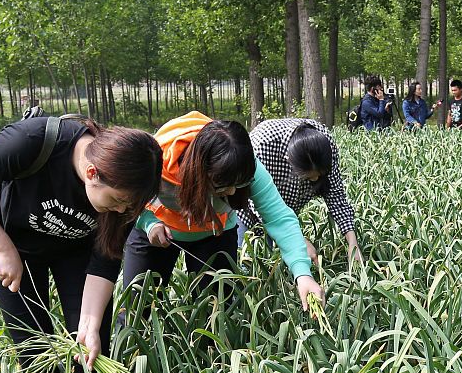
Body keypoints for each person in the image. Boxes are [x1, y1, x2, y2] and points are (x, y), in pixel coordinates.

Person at [0, 117, 162, 369]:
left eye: (130, 206)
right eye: (118, 200)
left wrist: (89, 326)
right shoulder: (31, 140)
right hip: (18, 249)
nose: (121, 210)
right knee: (32, 348)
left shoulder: (126, 194)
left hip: (77, 254)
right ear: (92, 172)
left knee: (92, 350)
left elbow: (105, 262)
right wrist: (2, 248)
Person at [121, 111, 325, 311]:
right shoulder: (159, 160)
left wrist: (303, 274)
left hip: (214, 235)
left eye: (239, 184)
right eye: (222, 186)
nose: (232, 191)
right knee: (137, 308)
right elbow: (125, 198)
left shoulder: (245, 167)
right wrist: (149, 222)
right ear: (199, 170)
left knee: (215, 314)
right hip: (156, 233)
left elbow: (279, 217)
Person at [237, 117, 364, 266]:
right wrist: (297, 241)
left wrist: (352, 243)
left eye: (320, 175)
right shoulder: (263, 145)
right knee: (245, 262)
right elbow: (260, 204)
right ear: (288, 160)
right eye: (309, 177)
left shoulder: (324, 145)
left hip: (286, 212)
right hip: (245, 208)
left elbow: (336, 196)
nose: (316, 179)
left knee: (285, 263)